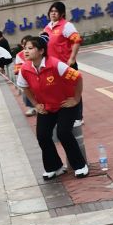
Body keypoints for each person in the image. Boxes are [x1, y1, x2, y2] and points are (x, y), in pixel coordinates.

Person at [16, 36, 88, 181]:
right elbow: (24, 86)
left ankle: (80, 165)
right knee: (42, 136)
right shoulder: (25, 68)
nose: (26, 51)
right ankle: (55, 167)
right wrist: (35, 104)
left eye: (30, 48)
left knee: (63, 133)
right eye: (25, 48)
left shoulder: (55, 64)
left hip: (65, 104)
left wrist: (75, 99)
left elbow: (78, 77)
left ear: (41, 51)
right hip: (46, 107)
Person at [43, 2, 83, 68]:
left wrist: (72, 58)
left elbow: (77, 40)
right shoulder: (47, 27)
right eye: (51, 11)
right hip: (52, 65)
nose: (53, 13)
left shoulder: (67, 25)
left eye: (56, 11)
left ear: (62, 13)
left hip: (65, 64)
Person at [12, 34, 37, 116]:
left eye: (27, 44)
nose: (24, 46)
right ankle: (31, 108)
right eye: (23, 44)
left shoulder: (38, 52)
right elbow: (18, 68)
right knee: (26, 91)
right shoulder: (19, 55)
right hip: (27, 76)